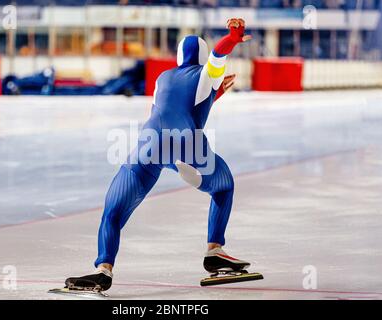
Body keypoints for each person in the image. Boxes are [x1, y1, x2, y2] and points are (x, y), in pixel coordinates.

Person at [65, 18, 252, 291]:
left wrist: (215, 93)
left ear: (178, 57)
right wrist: (233, 38)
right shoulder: (206, 73)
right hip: (186, 145)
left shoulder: (162, 78)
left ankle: (103, 268)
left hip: (148, 146)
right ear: (199, 58)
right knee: (224, 187)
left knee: (113, 213)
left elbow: (176, 105)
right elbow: (217, 55)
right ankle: (215, 251)